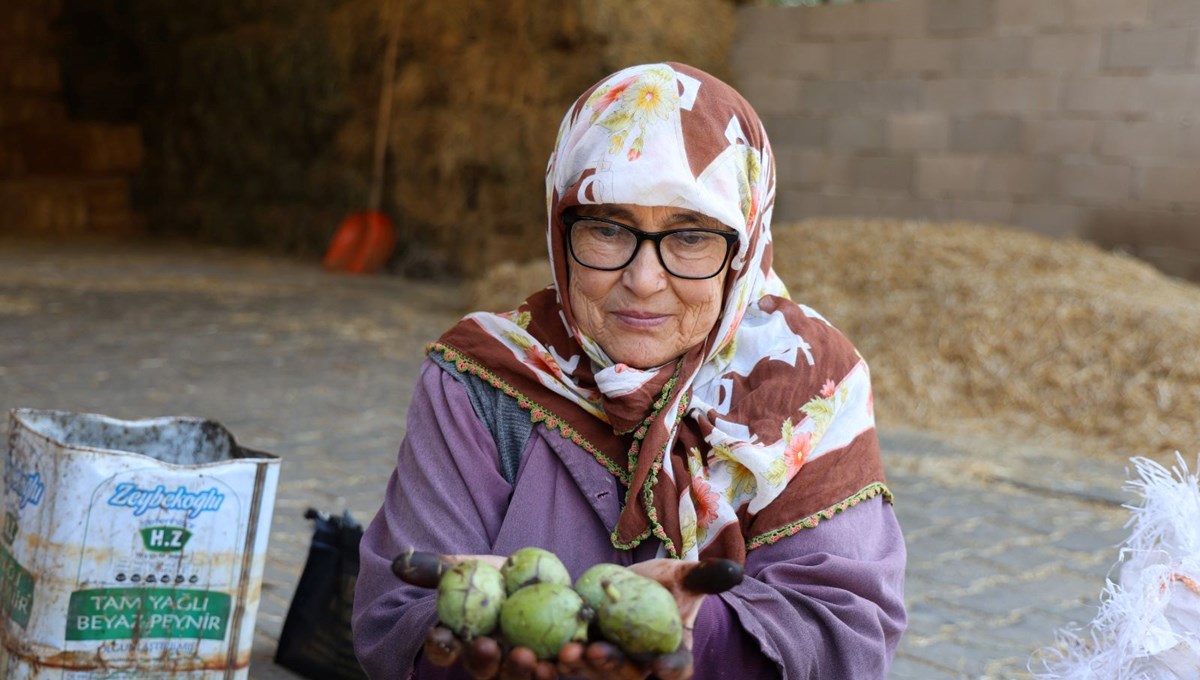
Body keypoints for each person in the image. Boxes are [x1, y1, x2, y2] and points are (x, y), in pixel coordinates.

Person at [352, 62, 907, 680]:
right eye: (608, 229)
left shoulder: (809, 387)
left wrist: (701, 635)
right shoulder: (485, 377)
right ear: (560, 228)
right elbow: (395, 616)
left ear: (744, 247)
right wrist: (487, 656)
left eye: (691, 236)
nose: (643, 282)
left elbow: (844, 634)